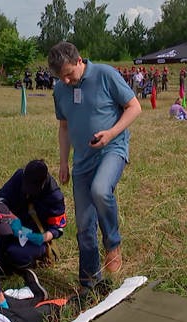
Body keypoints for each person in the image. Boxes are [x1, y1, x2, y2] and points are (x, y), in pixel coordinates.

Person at [48, 42, 142, 291]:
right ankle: (89, 283)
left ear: (79, 60)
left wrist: (111, 134)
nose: (66, 81)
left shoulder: (105, 74)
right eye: (61, 77)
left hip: (112, 148)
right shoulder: (60, 89)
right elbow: (64, 126)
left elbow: (134, 107)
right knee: (84, 224)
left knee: (100, 190)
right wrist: (63, 162)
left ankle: (113, 243)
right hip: (82, 160)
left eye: (69, 73)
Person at [0, 159, 67, 274]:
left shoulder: (54, 197)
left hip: (34, 236)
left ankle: (23, 267)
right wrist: (12, 218)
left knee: (16, 253)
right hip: (10, 226)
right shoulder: (19, 176)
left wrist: (43, 237)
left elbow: (58, 228)